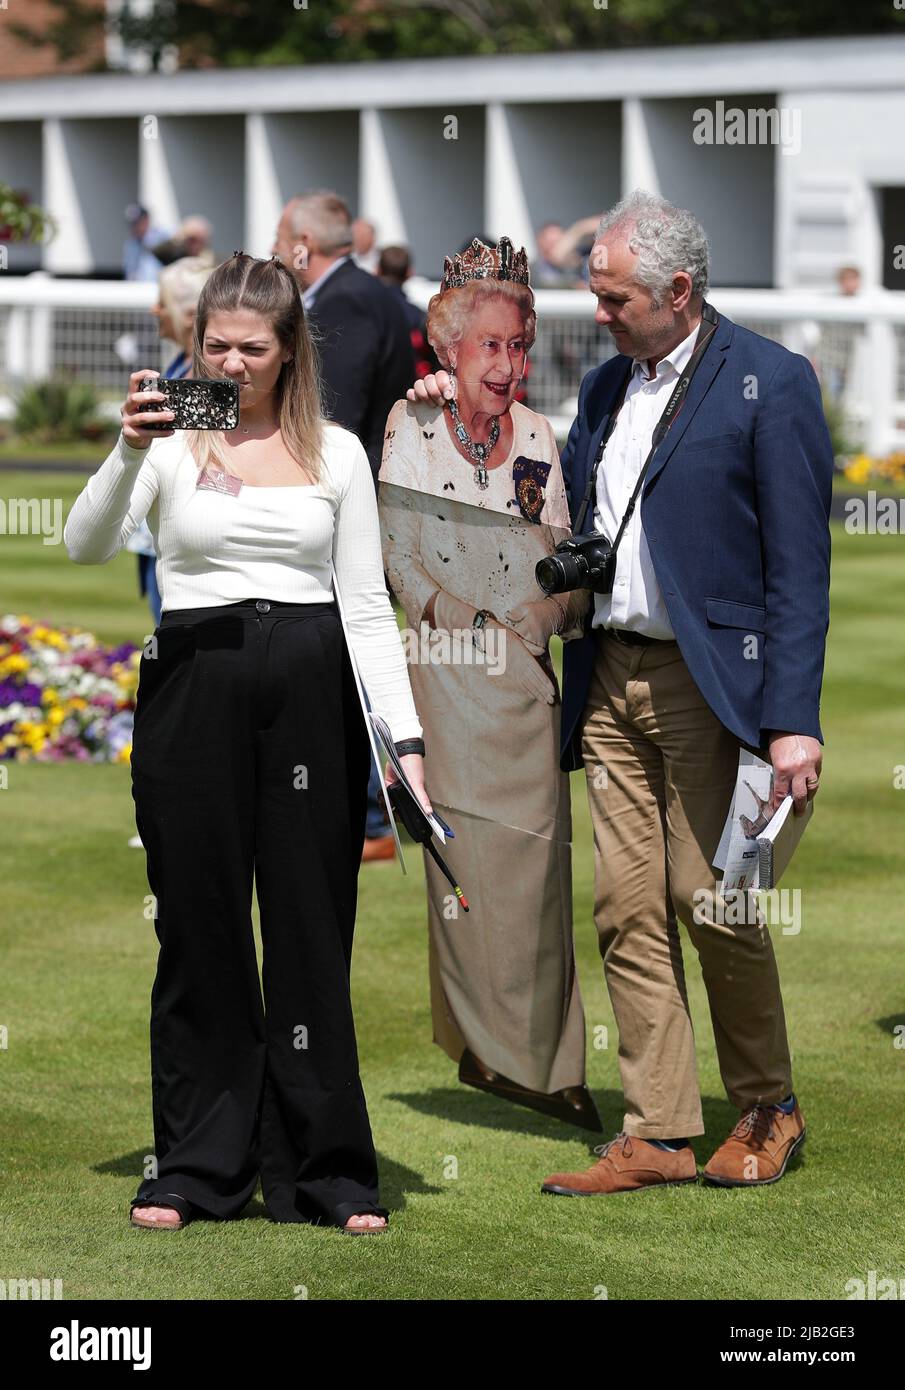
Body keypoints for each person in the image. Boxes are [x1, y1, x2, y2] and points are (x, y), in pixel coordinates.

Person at [410, 189, 833, 1195]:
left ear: (677, 290)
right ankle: (659, 1130)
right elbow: (529, 484)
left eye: (613, 297)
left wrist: (791, 726)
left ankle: (768, 1103)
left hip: (709, 688)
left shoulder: (769, 384)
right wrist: (444, 403)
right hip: (608, 677)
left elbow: (798, 572)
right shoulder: (604, 390)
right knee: (625, 907)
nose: (596, 312)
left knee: (714, 898)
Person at [64, 252, 430, 1234]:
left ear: (287, 351)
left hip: (311, 696)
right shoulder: (177, 431)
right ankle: (194, 1165)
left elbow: (363, 603)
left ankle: (326, 1171)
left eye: (249, 348)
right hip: (193, 688)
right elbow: (84, 543)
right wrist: (125, 448)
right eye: (212, 344)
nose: (228, 364)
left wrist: (405, 739)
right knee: (199, 926)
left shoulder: (336, 449)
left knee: (312, 928)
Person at [380, 237, 600, 1131]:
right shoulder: (412, 423)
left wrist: (544, 617)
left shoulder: (543, 434)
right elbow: (394, 560)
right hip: (447, 687)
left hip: (525, 694)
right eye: (490, 347)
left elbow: (567, 569)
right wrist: (471, 625)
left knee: (540, 887)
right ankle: (488, 1052)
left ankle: (545, 1062)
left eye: (519, 345)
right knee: (465, 880)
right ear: (448, 351)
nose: (508, 366)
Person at [273, 191, 416, 862]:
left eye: (280, 237)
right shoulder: (367, 292)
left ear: (303, 243)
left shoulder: (345, 301)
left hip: (348, 507)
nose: (275, 250)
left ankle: (370, 819)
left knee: (346, 659)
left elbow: (338, 412)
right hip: (371, 500)